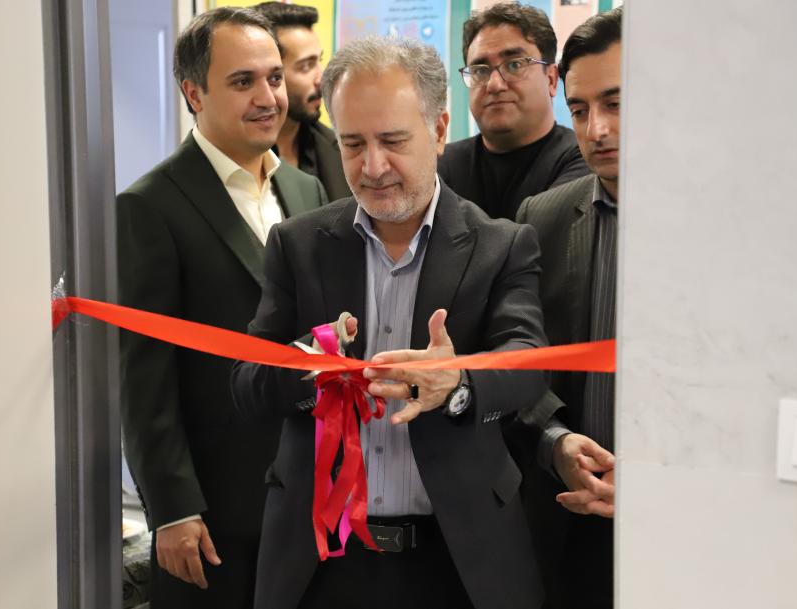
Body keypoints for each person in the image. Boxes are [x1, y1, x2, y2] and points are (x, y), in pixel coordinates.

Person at [231, 36, 555, 609]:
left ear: (439, 129)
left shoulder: (501, 245)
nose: (373, 167)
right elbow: (247, 385)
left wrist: (457, 383)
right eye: (353, 144)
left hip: (458, 562)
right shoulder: (298, 245)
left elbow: (528, 362)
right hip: (319, 561)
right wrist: (308, 368)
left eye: (393, 141)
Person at [117, 8, 327, 608]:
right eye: (243, 82)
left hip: (310, 496)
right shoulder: (149, 206)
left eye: (275, 78)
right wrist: (173, 508)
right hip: (214, 515)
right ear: (194, 93)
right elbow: (144, 377)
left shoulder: (306, 190)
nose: (268, 98)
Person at [513, 8, 623, 609]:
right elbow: (521, 366)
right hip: (567, 526)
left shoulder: (723, 227)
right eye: (579, 110)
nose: (596, 129)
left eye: (616, 104)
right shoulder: (543, 217)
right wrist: (555, 440)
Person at [438, 3, 589, 220]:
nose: (494, 84)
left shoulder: (583, 160)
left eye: (514, 65)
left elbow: (541, 237)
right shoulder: (441, 164)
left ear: (551, 79)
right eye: (480, 71)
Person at [254, 1, 352, 202]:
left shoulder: (339, 150)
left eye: (319, 61)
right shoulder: (240, 156)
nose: (321, 79)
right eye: (306, 66)